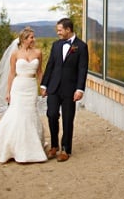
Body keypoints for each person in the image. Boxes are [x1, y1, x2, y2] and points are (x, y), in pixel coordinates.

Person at [0, 27, 47, 163]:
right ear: (23, 39)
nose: (33, 40)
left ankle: (31, 146)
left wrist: (42, 86)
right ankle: (12, 147)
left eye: (33, 37)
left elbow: (40, 72)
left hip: (30, 87)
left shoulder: (38, 53)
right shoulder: (15, 54)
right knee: (17, 114)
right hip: (18, 87)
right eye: (31, 37)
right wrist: (8, 91)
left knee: (30, 114)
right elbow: (11, 73)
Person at [40, 17, 89, 162]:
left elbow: (82, 69)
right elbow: (50, 66)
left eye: (60, 30)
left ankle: (66, 149)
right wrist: (44, 85)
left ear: (68, 30)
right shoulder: (56, 45)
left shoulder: (81, 46)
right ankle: (54, 145)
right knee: (51, 114)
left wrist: (80, 89)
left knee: (68, 119)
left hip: (70, 89)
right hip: (54, 87)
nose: (58, 33)